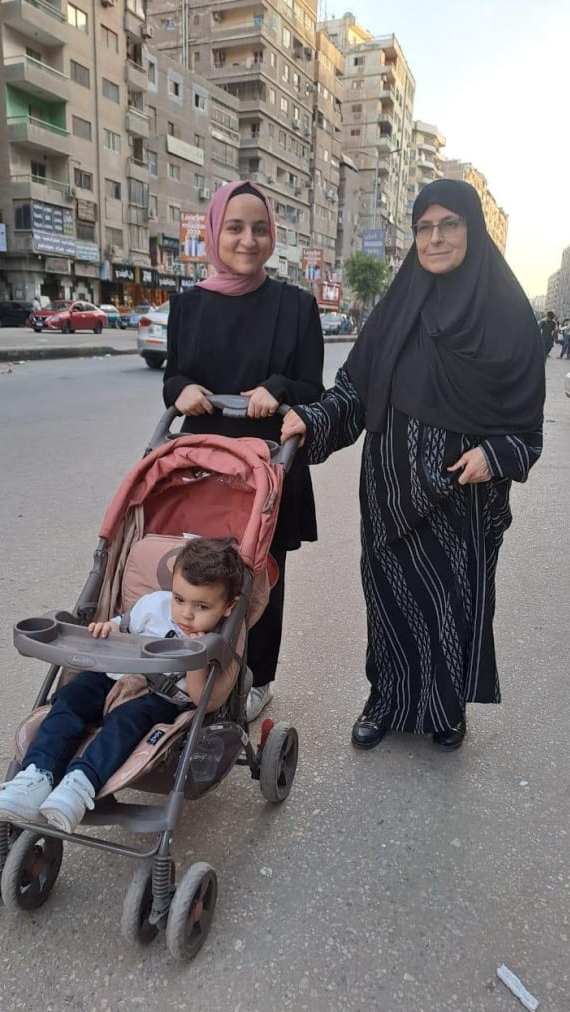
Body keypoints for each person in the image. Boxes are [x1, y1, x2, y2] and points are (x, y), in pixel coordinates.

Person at [281, 179, 545, 752]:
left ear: (471, 231)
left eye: (449, 224)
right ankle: (387, 701)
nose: (435, 237)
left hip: (463, 494)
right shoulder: (396, 307)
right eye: (424, 226)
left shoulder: (507, 316)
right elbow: (355, 388)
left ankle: (447, 710)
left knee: (453, 601)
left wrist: (494, 455)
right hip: (390, 490)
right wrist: (314, 418)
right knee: (391, 598)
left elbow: (526, 423)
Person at [163, 179, 324, 723]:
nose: (248, 240)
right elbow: (174, 377)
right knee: (202, 572)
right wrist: (180, 388)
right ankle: (193, 667)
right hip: (203, 466)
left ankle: (258, 680)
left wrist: (275, 389)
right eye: (235, 227)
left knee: (262, 577)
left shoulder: (296, 307)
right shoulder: (187, 306)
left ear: (272, 235)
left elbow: (312, 389)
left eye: (259, 229)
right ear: (215, 231)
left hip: (268, 468)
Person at [0, 537, 244, 832]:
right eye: (179, 599)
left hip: (158, 696)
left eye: (201, 606)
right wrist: (107, 627)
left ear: (228, 606)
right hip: (115, 675)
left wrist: (197, 659)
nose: (186, 614)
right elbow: (124, 624)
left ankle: (80, 784)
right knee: (70, 698)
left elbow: (203, 700)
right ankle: (35, 775)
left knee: (126, 722)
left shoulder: (217, 641)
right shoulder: (153, 606)